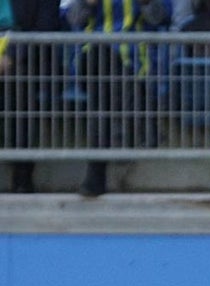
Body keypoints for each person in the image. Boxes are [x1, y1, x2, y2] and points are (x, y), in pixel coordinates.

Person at [67, 0, 172, 197]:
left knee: (101, 106)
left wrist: (146, 3)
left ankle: (95, 177)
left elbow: (161, 18)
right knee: (103, 59)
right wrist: (87, 4)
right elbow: (72, 19)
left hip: (132, 66)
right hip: (93, 62)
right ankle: (143, 121)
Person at [1, 0, 63, 193]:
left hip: (23, 62)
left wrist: (11, 56)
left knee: (20, 95)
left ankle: (22, 178)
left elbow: (44, 28)